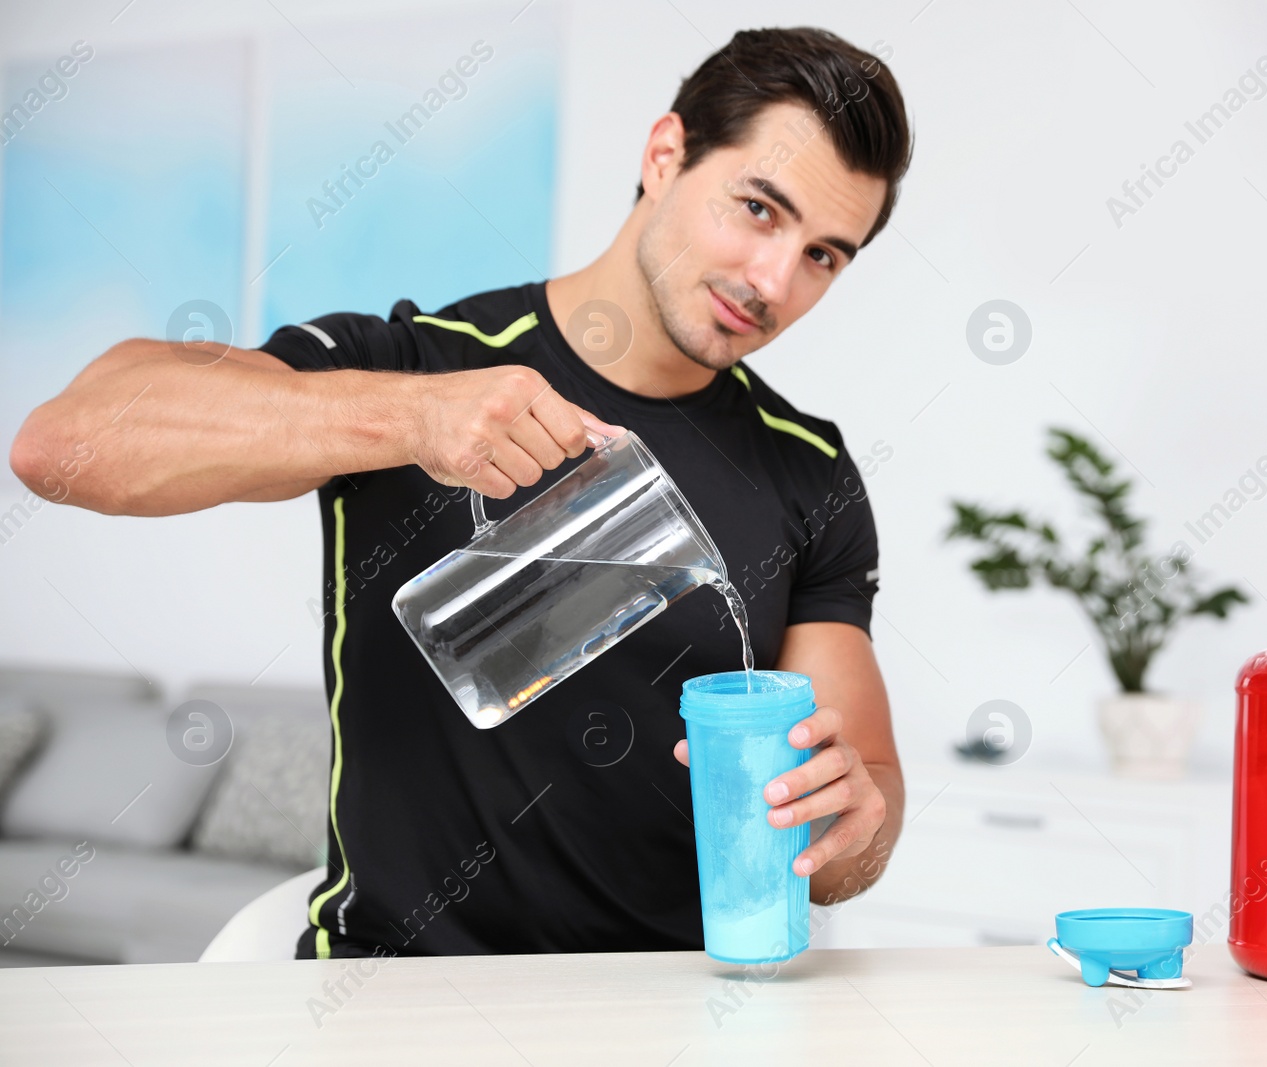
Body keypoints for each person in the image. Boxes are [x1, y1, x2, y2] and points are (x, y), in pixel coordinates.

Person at [9, 26, 913, 959]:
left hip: (677, 1002)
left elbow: (860, 806)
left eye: (823, 256)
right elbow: (66, 444)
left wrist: (855, 821)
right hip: (389, 1002)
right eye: (760, 209)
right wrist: (405, 422)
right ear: (665, 155)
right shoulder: (418, 363)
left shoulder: (810, 471)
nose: (774, 279)